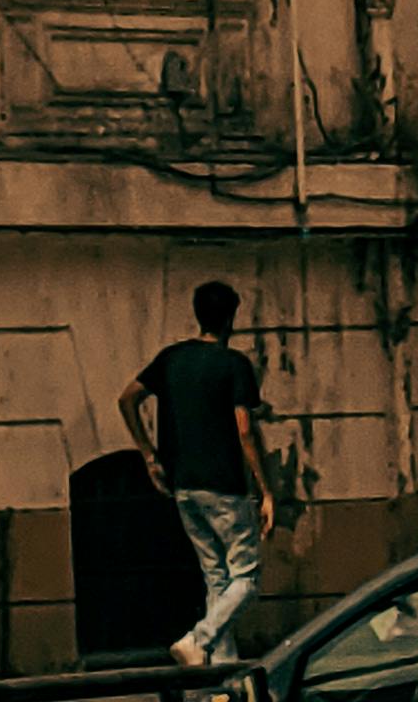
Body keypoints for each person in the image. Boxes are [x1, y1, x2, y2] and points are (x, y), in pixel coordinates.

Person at [123, 284, 273, 669]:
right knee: (246, 577)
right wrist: (265, 489)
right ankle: (198, 638)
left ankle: (219, 679)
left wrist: (148, 455)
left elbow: (127, 399)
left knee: (216, 579)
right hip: (223, 486)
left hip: (183, 486)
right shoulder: (234, 364)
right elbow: (244, 430)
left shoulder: (171, 358)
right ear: (230, 319)